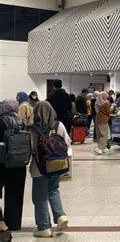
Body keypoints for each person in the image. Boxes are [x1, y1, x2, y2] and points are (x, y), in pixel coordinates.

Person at [28, 101, 69, 238]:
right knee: (53, 190)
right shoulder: (59, 125)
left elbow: (31, 149)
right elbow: (67, 143)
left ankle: (44, 227)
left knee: (40, 198)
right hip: (57, 165)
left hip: (39, 168)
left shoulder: (33, 129)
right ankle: (60, 215)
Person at [0, 100, 27, 236]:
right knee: (15, 195)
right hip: (19, 164)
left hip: (2, 164)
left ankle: (1, 223)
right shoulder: (21, 123)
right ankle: (14, 223)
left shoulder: (1, 122)